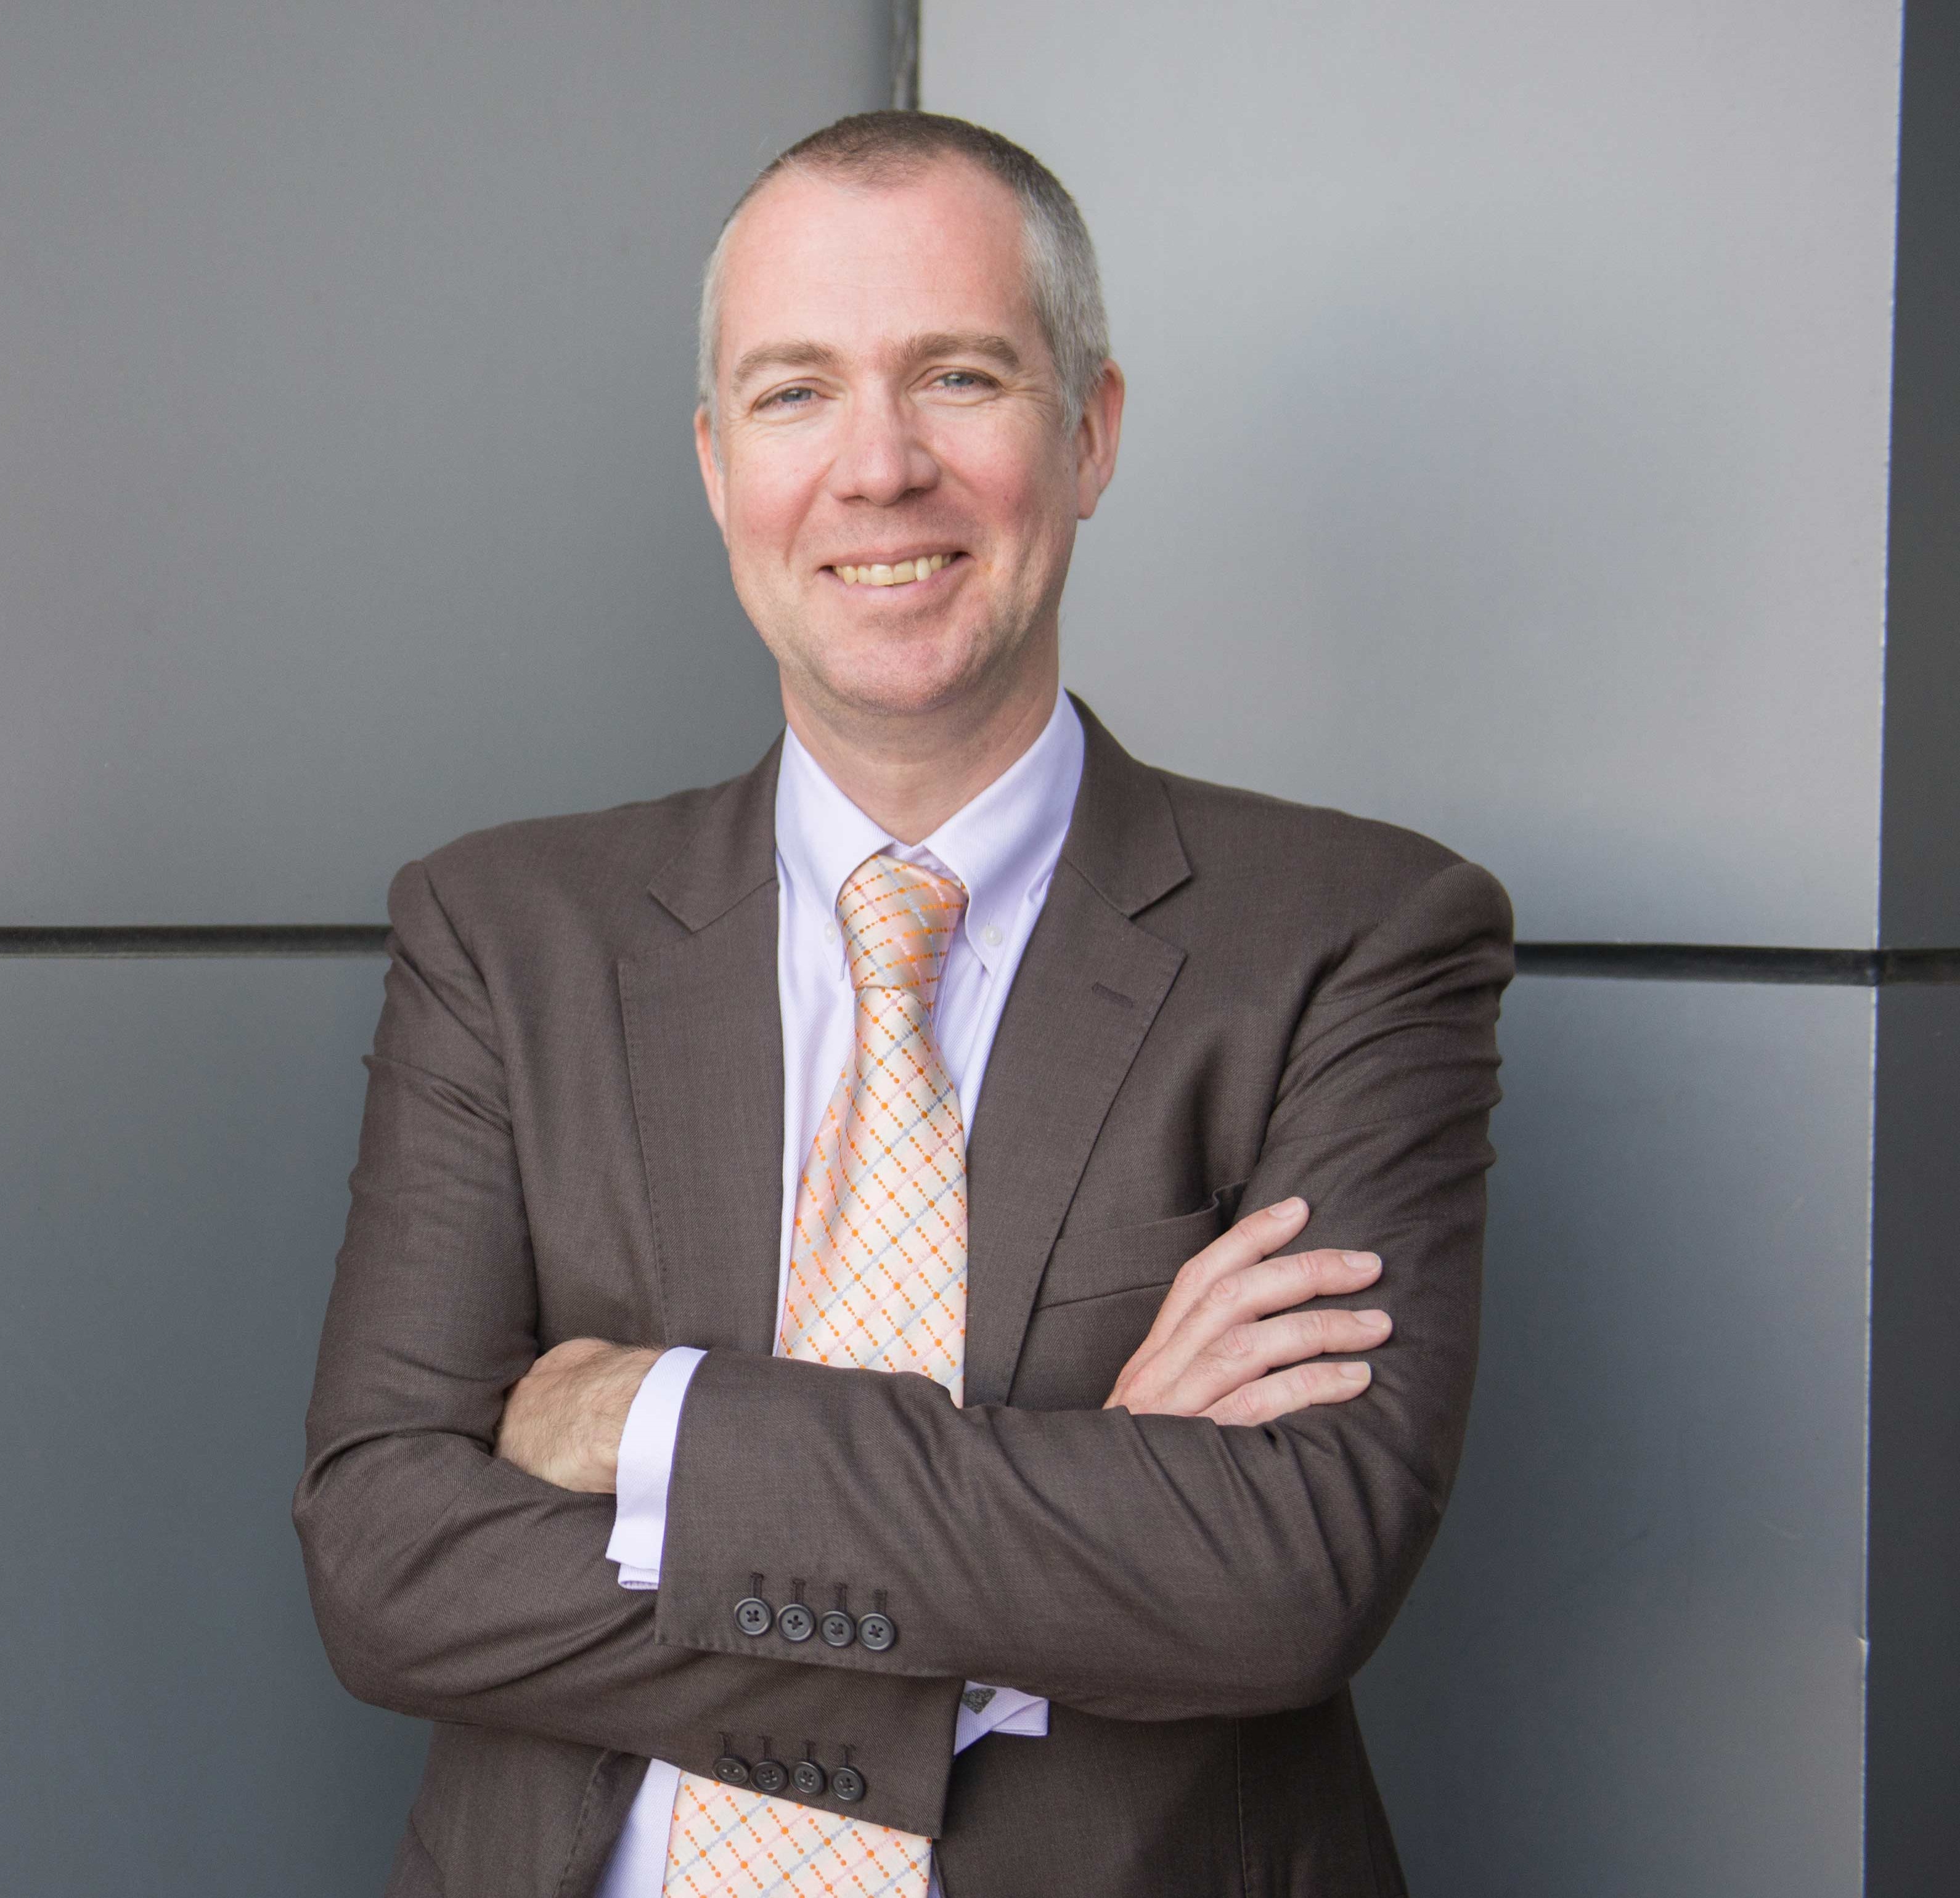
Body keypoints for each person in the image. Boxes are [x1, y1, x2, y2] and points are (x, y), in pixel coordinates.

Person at [295, 110, 1513, 1898]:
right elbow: (387, 1567)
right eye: (795, 393)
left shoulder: (1355, 936)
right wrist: (1084, 1519)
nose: (877, 469)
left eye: (957, 377)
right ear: (717, 463)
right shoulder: (505, 934)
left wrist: (656, 1422)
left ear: (1088, 433)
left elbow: (1285, 1576)